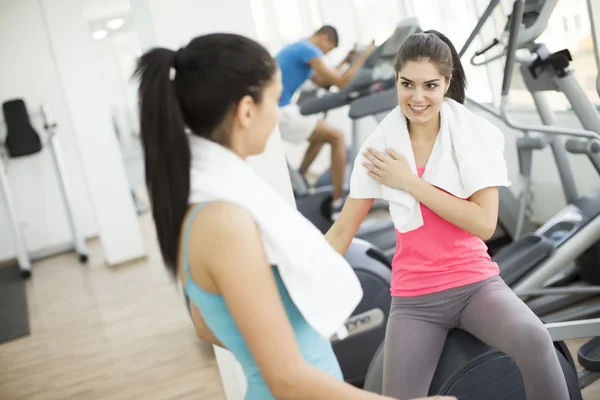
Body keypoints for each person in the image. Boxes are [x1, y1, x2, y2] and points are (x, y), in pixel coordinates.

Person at [133, 32, 454, 400]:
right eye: (275, 99)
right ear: (247, 111)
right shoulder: (224, 221)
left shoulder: (210, 202)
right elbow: (286, 379)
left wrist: (280, 341)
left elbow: (206, 324)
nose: (278, 114)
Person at [325, 30, 571, 400]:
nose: (418, 97)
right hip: (415, 299)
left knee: (535, 339)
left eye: (430, 85)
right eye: (407, 84)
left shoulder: (473, 136)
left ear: (447, 82)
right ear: (396, 81)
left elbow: (484, 224)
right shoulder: (379, 148)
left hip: (475, 286)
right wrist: (288, 285)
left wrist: (409, 182)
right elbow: (343, 230)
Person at [275, 25, 376, 220]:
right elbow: (340, 82)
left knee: (321, 136)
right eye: (328, 50)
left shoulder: (298, 48)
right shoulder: (308, 49)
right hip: (280, 112)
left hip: (279, 110)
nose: (325, 54)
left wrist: (347, 61)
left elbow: (323, 81)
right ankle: (338, 204)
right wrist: (362, 58)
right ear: (324, 38)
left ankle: (301, 177)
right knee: (337, 137)